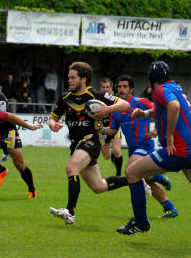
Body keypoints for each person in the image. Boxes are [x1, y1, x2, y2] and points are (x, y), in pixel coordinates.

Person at [117, 61, 191, 235]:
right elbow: (164, 108)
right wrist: (145, 113)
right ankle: (159, 181)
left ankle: (140, 223)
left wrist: (169, 135)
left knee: (132, 173)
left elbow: (174, 107)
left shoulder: (160, 90)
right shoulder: (175, 87)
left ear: (151, 77)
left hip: (178, 150)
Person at [48, 61, 130, 225]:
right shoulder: (65, 98)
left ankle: (70, 212)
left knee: (71, 168)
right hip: (76, 145)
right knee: (99, 186)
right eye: (68, 77)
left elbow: (125, 104)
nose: (69, 80)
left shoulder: (97, 95)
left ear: (83, 79)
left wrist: (107, 109)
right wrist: (52, 124)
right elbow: (52, 118)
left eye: (73, 78)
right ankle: (135, 178)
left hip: (91, 142)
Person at [103, 75, 178, 219]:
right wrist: (100, 130)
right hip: (133, 149)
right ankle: (169, 207)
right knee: (146, 178)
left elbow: (161, 112)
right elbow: (112, 130)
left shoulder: (140, 102)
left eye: (125, 86)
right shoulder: (115, 109)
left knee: (130, 172)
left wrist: (156, 129)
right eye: (119, 86)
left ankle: (140, 216)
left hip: (144, 144)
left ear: (131, 89)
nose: (121, 89)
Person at [0, 73, 39, 198]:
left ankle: (32, 191)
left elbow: (1, 116)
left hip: (8, 132)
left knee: (20, 165)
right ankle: (1, 170)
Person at [99, 77, 123, 176]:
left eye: (107, 87)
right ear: (100, 88)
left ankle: (118, 175)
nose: (105, 89)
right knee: (107, 156)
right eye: (103, 87)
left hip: (114, 127)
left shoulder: (116, 100)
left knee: (117, 151)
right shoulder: (97, 100)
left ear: (111, 88)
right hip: (103, 129)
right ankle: (113, 155)